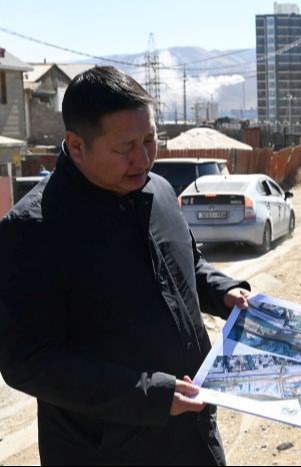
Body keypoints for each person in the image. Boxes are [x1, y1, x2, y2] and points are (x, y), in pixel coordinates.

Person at [0, 66, 252, 465]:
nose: (144, 158)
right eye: (126, 147)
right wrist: (150, 394)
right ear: (77, 146)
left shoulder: (160, 191)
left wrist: (222, 292)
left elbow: (187, 264)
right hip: (105, 450)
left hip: (193, 434)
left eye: (150, 139)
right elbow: (27, 362)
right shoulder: (34, 229)